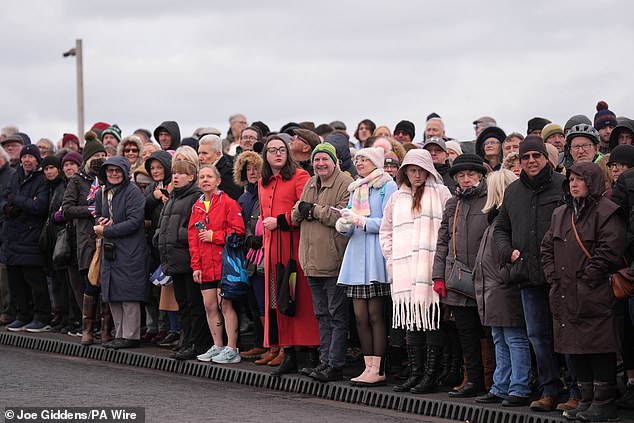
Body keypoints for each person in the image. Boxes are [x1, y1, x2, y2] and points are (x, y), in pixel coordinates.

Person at [541, 162, 625, 421]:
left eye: (580, 179)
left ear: (593, 182)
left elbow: (610, 249)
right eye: (571, 179)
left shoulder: (608, 211)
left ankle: (604, 403)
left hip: (595, 291)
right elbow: (546, 248)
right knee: (575, 346)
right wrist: (553, 276)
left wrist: (588, 278)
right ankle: (587, 400)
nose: (573, 184)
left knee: (599, 347)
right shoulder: (560, 214)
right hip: (564, 291)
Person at [494, 136, 566, 412]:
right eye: (526, 157)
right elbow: (501, 228)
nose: (531, 161)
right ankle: (549, 391)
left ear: (547, 158)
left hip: (559, 275)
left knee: (565, 334)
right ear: (520, 161)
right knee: (537, 336)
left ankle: (575, 390)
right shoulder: (513, 192)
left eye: (536, 156)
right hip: (527, 276)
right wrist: (507, 252)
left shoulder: (563, 186)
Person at [380, 149, 452, 393]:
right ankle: (415, 373)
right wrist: (392, 258)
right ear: (405, 172)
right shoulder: (396, 198)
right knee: (411, 322)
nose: (417, 174)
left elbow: (448, 230)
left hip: (431, 267)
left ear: (428, 170)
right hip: (403, 269)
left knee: (431, 321)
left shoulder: (441, 193)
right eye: (412, 169)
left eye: (421, 169)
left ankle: (430, 376)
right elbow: (386, 231)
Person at [258, 133, 320, 375]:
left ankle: (308, 353)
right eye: (272, 150)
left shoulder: (299, 176)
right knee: (278, 300)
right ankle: (289, 351)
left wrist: (282, 221)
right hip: (273, 249)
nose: (277, 154)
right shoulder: (263, 182)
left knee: (298, 299)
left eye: (281, 149)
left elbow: (304, 209)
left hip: (294, 249)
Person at [292, 143, 353, 382]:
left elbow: (340, 217)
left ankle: (335, 363)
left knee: (337, 315)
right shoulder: (310, 182)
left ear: (334, 161)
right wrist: (307, 210)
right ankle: (324, 361)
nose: (320, 164)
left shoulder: (346, 183)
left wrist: (314, 210)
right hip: (311, 261)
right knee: (321, 315)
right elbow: (296, 213)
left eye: (324, 160)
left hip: (333, 260)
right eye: (317, 160)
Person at [336, 147, 397, 386]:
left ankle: (379, 368)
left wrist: (361, 221)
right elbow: (351, 223)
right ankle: (367, 366)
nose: (359, 163)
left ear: (375, 162)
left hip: (375, 255)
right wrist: (344, 223)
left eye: (364, 159)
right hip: (356, 254)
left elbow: (388, 222)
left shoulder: (387, 185)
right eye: (357, 159)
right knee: (360, 316)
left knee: (375, 314)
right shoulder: (356, 188)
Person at [433, 154, 491, 398]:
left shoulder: (491, 200)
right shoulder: (452, 203)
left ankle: (490, 380)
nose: (466, 180)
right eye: (461, 176)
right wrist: (438, 276)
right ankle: (473, 379)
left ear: (480, 176)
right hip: (458, 278)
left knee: (488, 332)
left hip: (486, 278)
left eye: (471, 175)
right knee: (465, 332)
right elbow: (443, 241)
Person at [473, 170, 532, 407]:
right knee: (500, 338)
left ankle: (518, 386)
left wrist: (504, 276)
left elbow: (514, 253)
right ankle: (502, 385)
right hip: (494, 288)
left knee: (514, 339)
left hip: (503, 287)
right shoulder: (496, 218)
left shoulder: (507, 218)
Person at [189, 164, 246, 364]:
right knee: (210, 305)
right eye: (202, 177)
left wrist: (215, 236)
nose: (205, 180)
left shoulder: (228, 203)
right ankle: (218, 345)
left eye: (209, 177)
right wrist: (196, 265)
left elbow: (238, 231)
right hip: (206, 265)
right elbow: (193, 239)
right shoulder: (196, 207)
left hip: (224, 264)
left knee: (226, 304)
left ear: (218, 181)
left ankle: (232, 347)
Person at [156, 155, 210, 360]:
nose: (175, 177)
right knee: (183, 304)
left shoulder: (196, 197)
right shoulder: (173, 197)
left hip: (188, 258)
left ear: (191, 177)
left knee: (194, 303)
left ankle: (197, 343)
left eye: (181, 173)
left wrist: (177, 237)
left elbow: (196, 226)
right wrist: (159, 237)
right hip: (175, 258)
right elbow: (164, 223)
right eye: (174, 173)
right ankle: (185, 340)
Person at [94, 156, 148, 349]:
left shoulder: (132, 192)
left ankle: (131, 336)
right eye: (110, 171)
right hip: (112, 249)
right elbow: (99, 214)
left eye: (118, 170)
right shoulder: (102, 192)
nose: (114, 174)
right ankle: (119, 333)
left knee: (129, 293)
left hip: (130, 249)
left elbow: (135, 222)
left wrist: (108, 230)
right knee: (112, 292)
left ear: (125, 172)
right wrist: (102, 221)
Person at [61, 133, 110, 343]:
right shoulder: (78, 181)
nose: (100, 158)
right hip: (86, 238)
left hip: (107, 236)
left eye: (103, 154)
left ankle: (106, 327)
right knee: (90, 282)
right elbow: (67, 208)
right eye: (96, 155)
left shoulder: (111, 177)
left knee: (107, 282)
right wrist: (91, 210)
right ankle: (89, 327)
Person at [0, 144, 50, 332]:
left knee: (34, 281)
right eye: (24, 157)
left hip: (31, 238)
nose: (27, 160)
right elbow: (5, 198)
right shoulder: (15, 176)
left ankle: (42, 316)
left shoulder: (41, 179)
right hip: (12, 236)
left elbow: (40, 206)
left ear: (37, 160)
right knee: (16, 281)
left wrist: (17, 200)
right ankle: (23, 315)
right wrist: (7, 207)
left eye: (31, 157)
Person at [233, 151, 267, 360]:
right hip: (248, 254)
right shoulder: (244, 197)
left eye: (255, 167)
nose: (252, 172)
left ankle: (270, 345)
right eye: (248, 168)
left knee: (264, 304)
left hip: (262, 253)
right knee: (252, 304)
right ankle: (259, 342)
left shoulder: (266, 190)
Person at [198, 135, 242, 201]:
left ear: (218, 154)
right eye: (199, 153)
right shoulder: (206, 170)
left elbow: (230, 202)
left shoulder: (228, 173)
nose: (200, 158)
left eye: (205, 153)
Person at [0, 146, 15, 325]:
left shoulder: (10, 175)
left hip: (6, 230)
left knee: (4, 274)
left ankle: (7, 310)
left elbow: (9, 200)